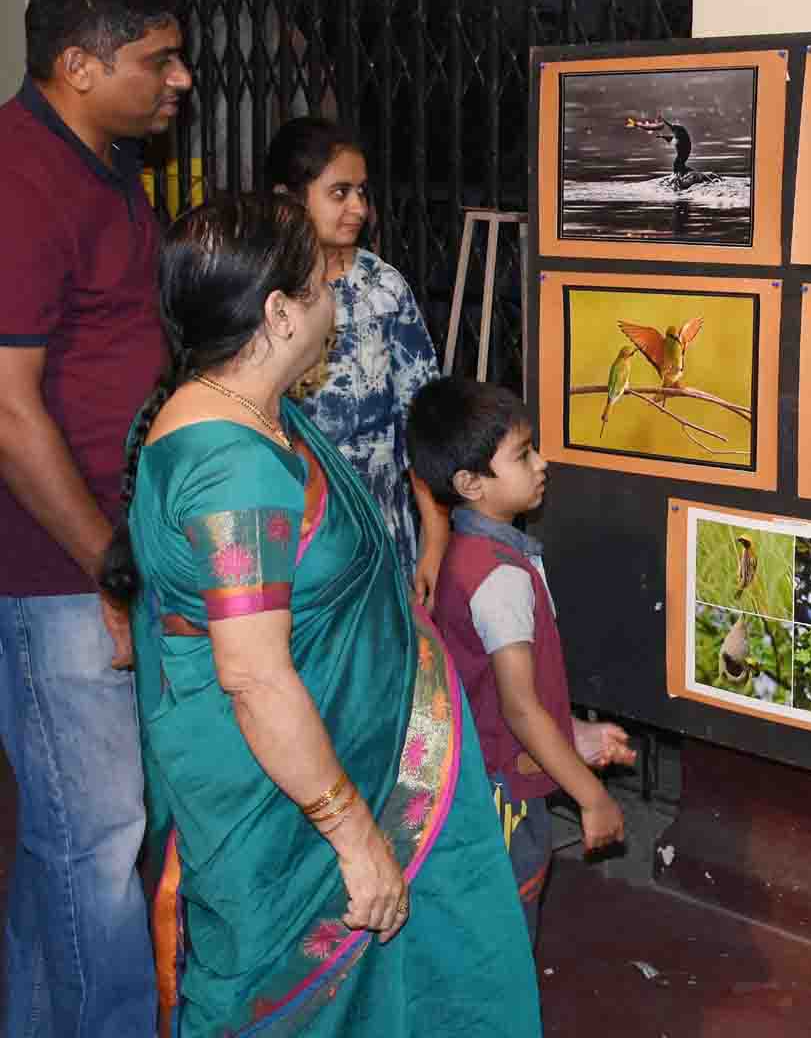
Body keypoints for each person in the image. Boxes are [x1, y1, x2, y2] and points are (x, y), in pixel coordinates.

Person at [100, 195, 539, 1034]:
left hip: (351, 753)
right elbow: (258, 678)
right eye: (321, 284)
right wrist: (355, 837)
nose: (336, 298)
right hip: (292, 807)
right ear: (277, 313)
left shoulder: (246, 412)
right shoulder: (231, 468)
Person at [0, 0, 191, 1037]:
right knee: (101, 839)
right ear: (78, 63)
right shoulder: (20, 178)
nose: (181, 81)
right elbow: (8, 405)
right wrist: (104, 561)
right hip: (54, 571)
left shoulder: (105, 167)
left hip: (102, 553)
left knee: (71, 842)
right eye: (158, 60)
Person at [409, 376, 635, 939]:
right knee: (504, 930)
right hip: (501, 796)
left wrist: (574, 734)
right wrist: (593, 797)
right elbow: (520, 710)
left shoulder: (472, 556)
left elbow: (501, 692)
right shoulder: (500, 579)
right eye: (523, 455)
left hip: (486, 776)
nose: (542, 464)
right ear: (471, 483)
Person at [265, 117, 446, 602]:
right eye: (339, 192)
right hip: (292, 534)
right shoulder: (258, 292)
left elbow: (421, 415)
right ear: (289, 198)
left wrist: (434, 534)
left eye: (362, 192)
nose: (358, 208)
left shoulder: (384, 289)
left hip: (381, 529)